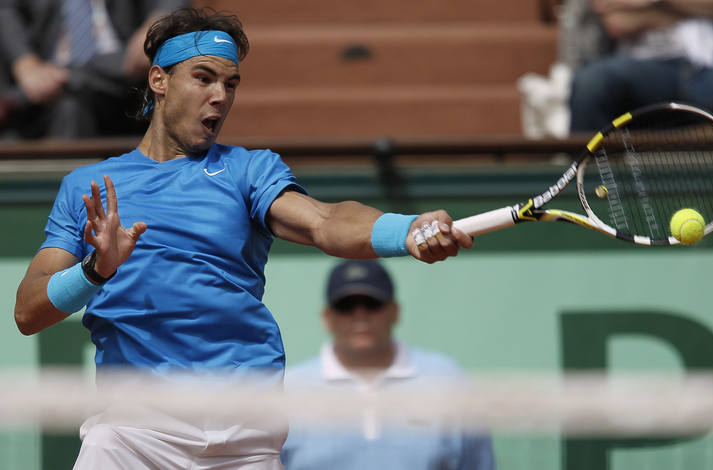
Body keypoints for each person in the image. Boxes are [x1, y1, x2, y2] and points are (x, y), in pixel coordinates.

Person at [12, 7, 473, 470]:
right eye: (204, 78)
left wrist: (404, 230)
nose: (219, 97)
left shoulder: (248, 170)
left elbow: (323, 221)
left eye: (230, 84)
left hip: (242, 432)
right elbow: (28, 312)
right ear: (159, 79)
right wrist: (96, 270)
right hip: (132, 433)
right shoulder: (87, 186)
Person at [281, 259, 495, 470]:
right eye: (346, 306)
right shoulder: (287, 390)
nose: (360, 315)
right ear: (327, 317)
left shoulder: (449, 382)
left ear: (395, 311)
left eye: (372, 303)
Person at [0, 0, 188, 139]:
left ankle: (19, 98)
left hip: (124, 81)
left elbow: (170, 4)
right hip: (50, 90)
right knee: (70, 107)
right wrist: (24, 62)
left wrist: (157, 23)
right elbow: (5, 10)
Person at [567, 0, 713, 131]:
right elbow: (618, 21)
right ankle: (586, 165)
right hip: (643, 68)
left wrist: (651, 4)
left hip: (708, 64)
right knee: (590, 83)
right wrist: (687, 9)